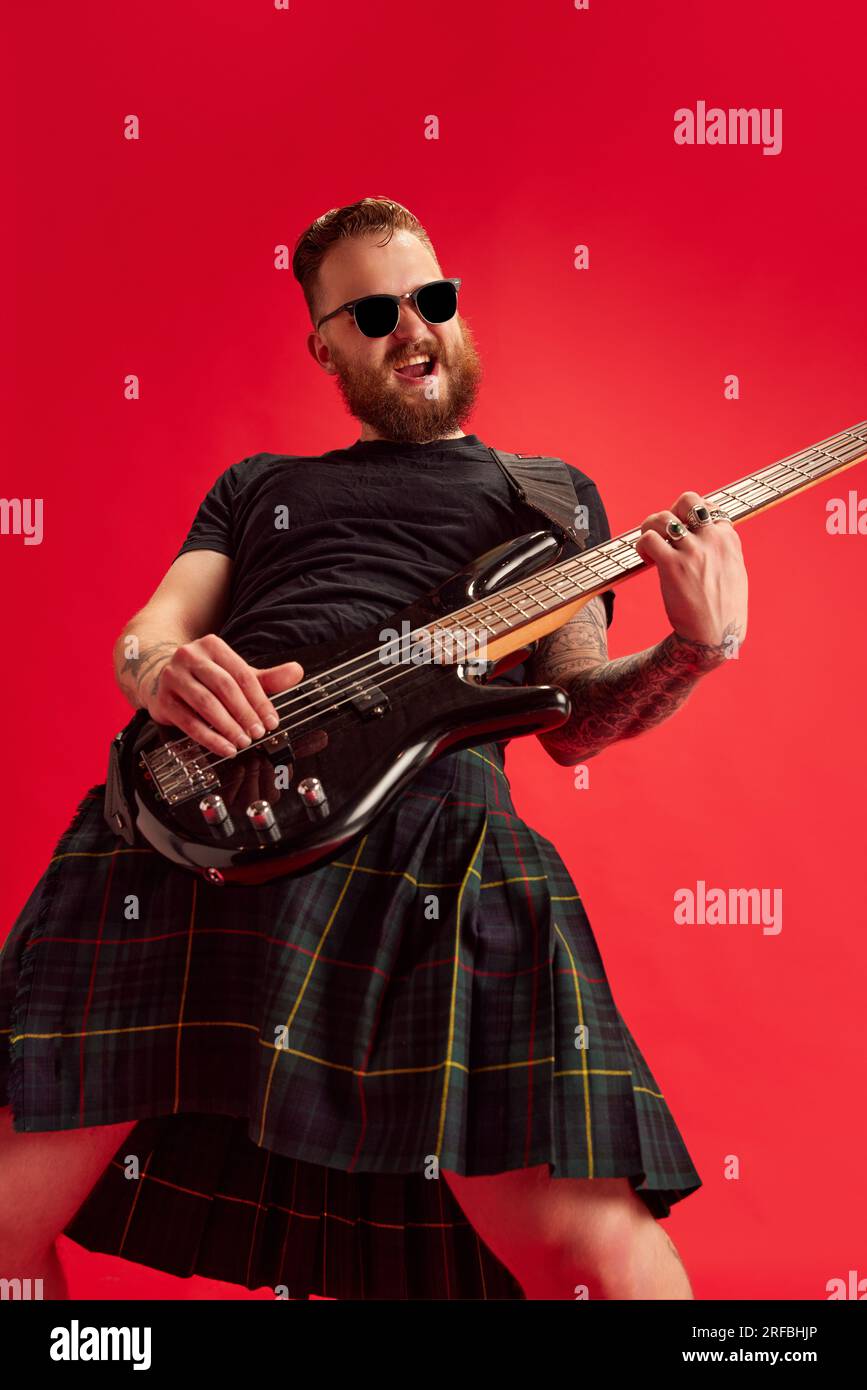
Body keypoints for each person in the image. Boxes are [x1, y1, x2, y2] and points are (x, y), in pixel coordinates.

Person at [0, 196, 748, 1301]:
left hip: (435, 851)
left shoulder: (547, 498)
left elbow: (574, 720)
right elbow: (152, 632)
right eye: (374, 312)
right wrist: (160, 671)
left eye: (432, 300)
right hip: (191, 829)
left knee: (600, 1261)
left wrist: (698, 645)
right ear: (324, 343)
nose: (413, 329)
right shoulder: (256, 488)